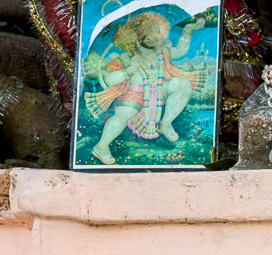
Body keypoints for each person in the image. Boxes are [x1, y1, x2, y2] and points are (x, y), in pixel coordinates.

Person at [88, 9, 210, 164]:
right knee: (121, 116)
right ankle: (101, 147)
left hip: (159, 92)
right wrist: (127, 71)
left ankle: (165, 124)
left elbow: (181, 50)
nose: (158, 37)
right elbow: (109, 80)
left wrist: (188, 30)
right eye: (152, 34)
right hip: (134, 96)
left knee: (183, 84)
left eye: (158, 32)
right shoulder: (126, 57)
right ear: (139, 38)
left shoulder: (162, 52)